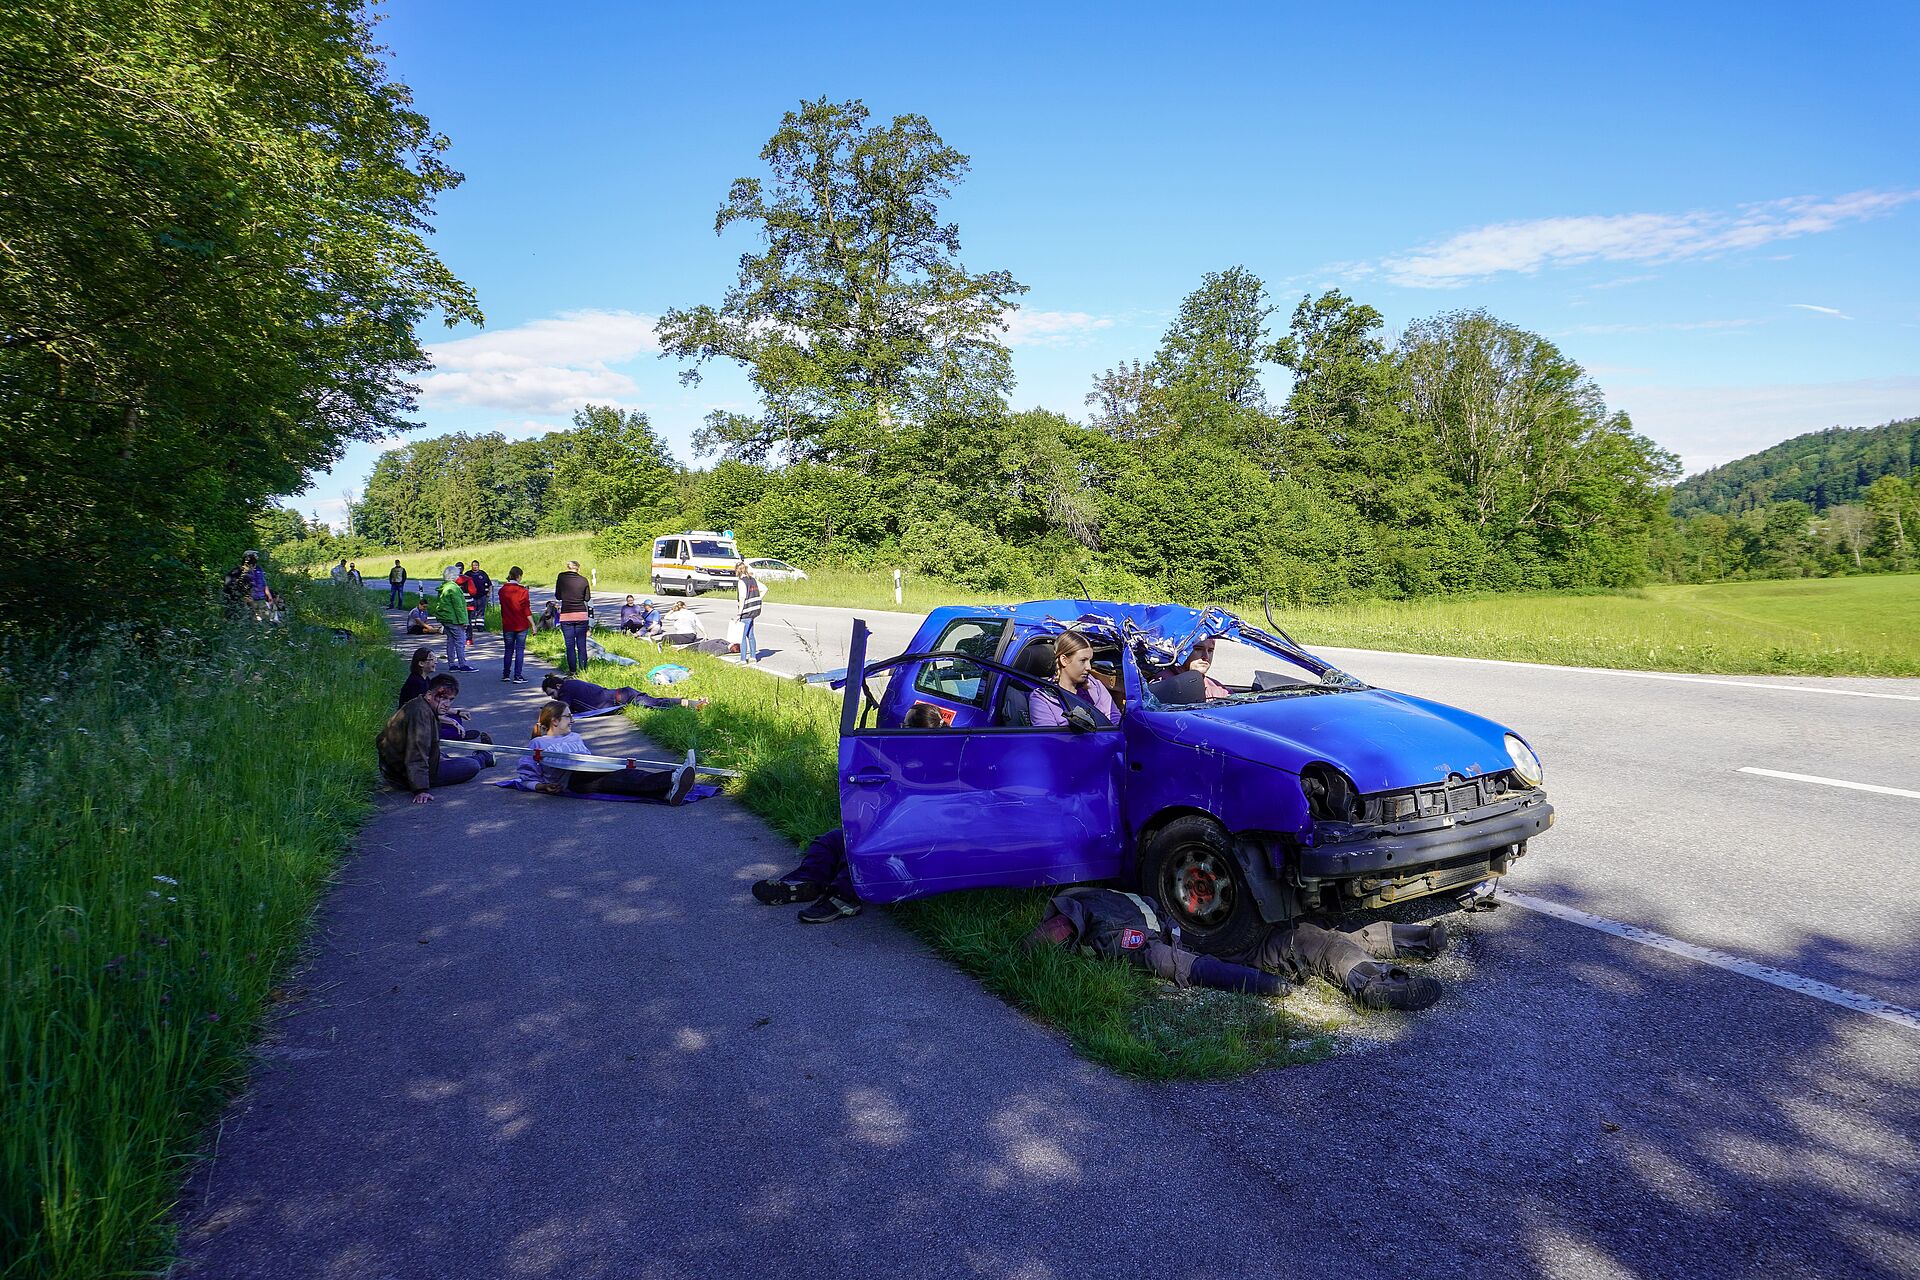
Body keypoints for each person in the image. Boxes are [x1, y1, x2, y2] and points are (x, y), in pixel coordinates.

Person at [1021, 888, 1447, 1011]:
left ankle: (1413, 940)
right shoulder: (1112, 924)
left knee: (1317, 934)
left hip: (1226, 936)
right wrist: (1266, 986)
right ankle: (1376, 983)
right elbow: (1184, 966)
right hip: (1229, 950)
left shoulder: (1106, 908)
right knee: (1314, 940)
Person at [752, 704, 945, 922]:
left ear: (916, 731)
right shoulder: (906, 758)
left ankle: (844, 897)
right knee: (831, 840)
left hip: (917, 836)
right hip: (893, 825)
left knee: (859, 845)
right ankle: (807, 882)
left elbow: (915, 810)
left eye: (904, 725)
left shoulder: (933, 765)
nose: (899, 728)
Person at [515, 702, 699, 804]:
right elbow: (526, 775)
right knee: (617, 780)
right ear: (555, 721)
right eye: (568, 716)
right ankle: (672, 779)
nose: (572, 720)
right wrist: (541, 787)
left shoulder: (575, 737)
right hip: (571, 780)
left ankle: (667, 792)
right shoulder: (538, 742)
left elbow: (587, 758)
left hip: (590, 769)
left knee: (625, 775)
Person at [376, 674, 493, 804]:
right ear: (430, 695)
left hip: (398, 769)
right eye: (443, 698)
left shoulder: (420, 704)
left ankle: (484, 756)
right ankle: (483, 758)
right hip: (403, 776)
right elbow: (416, 753)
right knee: (471, 766)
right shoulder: (421, 714)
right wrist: (421, 789)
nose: (447, 704)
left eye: (451, 699)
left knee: (445, 757)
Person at [398, 647, 494, 742]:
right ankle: (457, 734)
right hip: (413, 724)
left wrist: (458, 712)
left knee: (456, 718)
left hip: (425, 717)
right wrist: (451, 722)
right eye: (432, 659)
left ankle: (457, 733)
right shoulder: (416, 683)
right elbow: (426, 712)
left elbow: (435, 705)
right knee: (452, 725)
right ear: (421, 663)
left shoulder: (425, 680)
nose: (435, 662)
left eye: (435, 659)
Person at [1029, 631, 1116, 729]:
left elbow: (1116, 721)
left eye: (1090, 661)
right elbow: (1050, 740)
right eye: (1083, 660)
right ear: (1064, 660)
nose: (1089, 667)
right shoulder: (1043, 698)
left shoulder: (1096, 686)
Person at [539, 673, 707, 713]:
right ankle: (693, 703)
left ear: (558, 686)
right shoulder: (571, 684)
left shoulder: (566, 690)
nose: (552, 697)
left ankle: (695, 704)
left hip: (621, 698)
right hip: (620, 695)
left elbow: (562, 709)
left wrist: (547, 710)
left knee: (657, 704)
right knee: (657, 702)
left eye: (551, 693)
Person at [554, 559, 592, 674]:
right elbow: (587, 598)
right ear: (578, 568)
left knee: (570, 645)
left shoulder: (561, 577)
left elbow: (558, 596)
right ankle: (584, 670)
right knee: (582, 644)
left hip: (567, 615)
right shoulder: (584, 580)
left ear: (568, 567)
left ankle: (572, 671)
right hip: (581, 615)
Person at [434, 567, 474, 670]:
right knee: (460, 641)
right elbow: (459, 607)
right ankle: (463, 664)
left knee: (450, 641)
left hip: (446, 618)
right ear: (454, 576)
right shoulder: (454, 588)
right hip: (454, 619)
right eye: (457, 574)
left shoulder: (444, 587)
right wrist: (464, 621)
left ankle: (451, 664)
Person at [498, 566, 531, 683]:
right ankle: (518, 676)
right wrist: (533, 624)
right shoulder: (523, 591)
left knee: (508, 650)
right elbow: (526, 609)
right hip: (521, 624)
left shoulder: (502, 590)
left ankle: (506, 674)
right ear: (518, 576)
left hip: (508, 624)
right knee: (520, 650)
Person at [735, 560, 764, 664]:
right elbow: (765, 589)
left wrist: (739, 614)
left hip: (746, 611)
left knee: (742, 636)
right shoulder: (753, 579)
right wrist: (758, 599)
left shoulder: (741, 582)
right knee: (750, 635)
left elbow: (742, 599)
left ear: (738, 571)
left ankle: (743, 659)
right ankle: (753, 657)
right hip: (754, 611)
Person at [466, 560, 492, 632]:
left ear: (478, 566)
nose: (475, 567)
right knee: (472, 611)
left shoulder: (483, 574)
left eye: (476, 565)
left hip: (482, 596)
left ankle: (480, 626)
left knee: (481, 611)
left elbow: (489, 584)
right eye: (473, 565)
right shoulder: (468, 574)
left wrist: (489, 593)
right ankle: (472, 626)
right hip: (471, 596)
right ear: (471, 566)